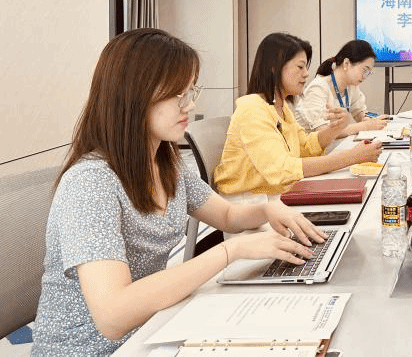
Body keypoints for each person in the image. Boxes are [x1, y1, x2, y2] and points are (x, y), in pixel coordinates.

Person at [32, 29, 326, 356]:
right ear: (133, 95)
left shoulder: (165, 162)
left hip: (152, 329)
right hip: (94, 350)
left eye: (191, 91)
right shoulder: (91, 183)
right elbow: (113, 315)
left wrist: (268, 210)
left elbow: (227, 215)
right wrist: (231, 251)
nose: (191, 104)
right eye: (178, 94)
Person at [214, 33, 382, 197]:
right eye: (300, 67)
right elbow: (282, 169)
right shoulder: (252, 109)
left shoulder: (282, 108)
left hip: (274, 194)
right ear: (275, 68)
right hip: (248, 201)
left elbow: (306, 147)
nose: (306, 74)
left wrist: (335, 129)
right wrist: (352, 157)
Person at [294, 39, 388, 137]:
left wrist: (367, 119)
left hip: (336, 144)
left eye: (368, 73)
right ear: (346, 63)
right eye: (364, 70)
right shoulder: (318, 88)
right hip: (311, 146)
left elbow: (359, 111)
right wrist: (365, 126)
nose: (365, 76)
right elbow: (323, 132)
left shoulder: (351, 86)